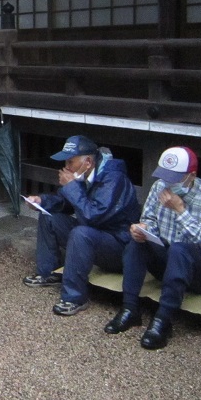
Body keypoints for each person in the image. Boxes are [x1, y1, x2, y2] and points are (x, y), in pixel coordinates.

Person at [104, 147, 201, 349]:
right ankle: (129, 309)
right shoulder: (158, 187)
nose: (168, 183)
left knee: (180, 249)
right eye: (165, 176)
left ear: (191, 176)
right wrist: (142, 229)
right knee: (138, 242)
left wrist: (180, 211)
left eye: (174, 178)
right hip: (169, 263)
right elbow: (149, 219)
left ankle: (163, 320)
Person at [22, 135, 140, 316]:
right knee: (49, 217)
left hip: (119, 246)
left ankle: (74, 297)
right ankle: (48, 272)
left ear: (88, 162)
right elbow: (66, 203)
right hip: (98, 236)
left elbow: (93, 217)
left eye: (70, 162)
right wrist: (42, 201)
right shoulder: (85, 175)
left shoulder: (113, 179)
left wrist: (71, 187)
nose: (66, 167)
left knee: (81, 232)